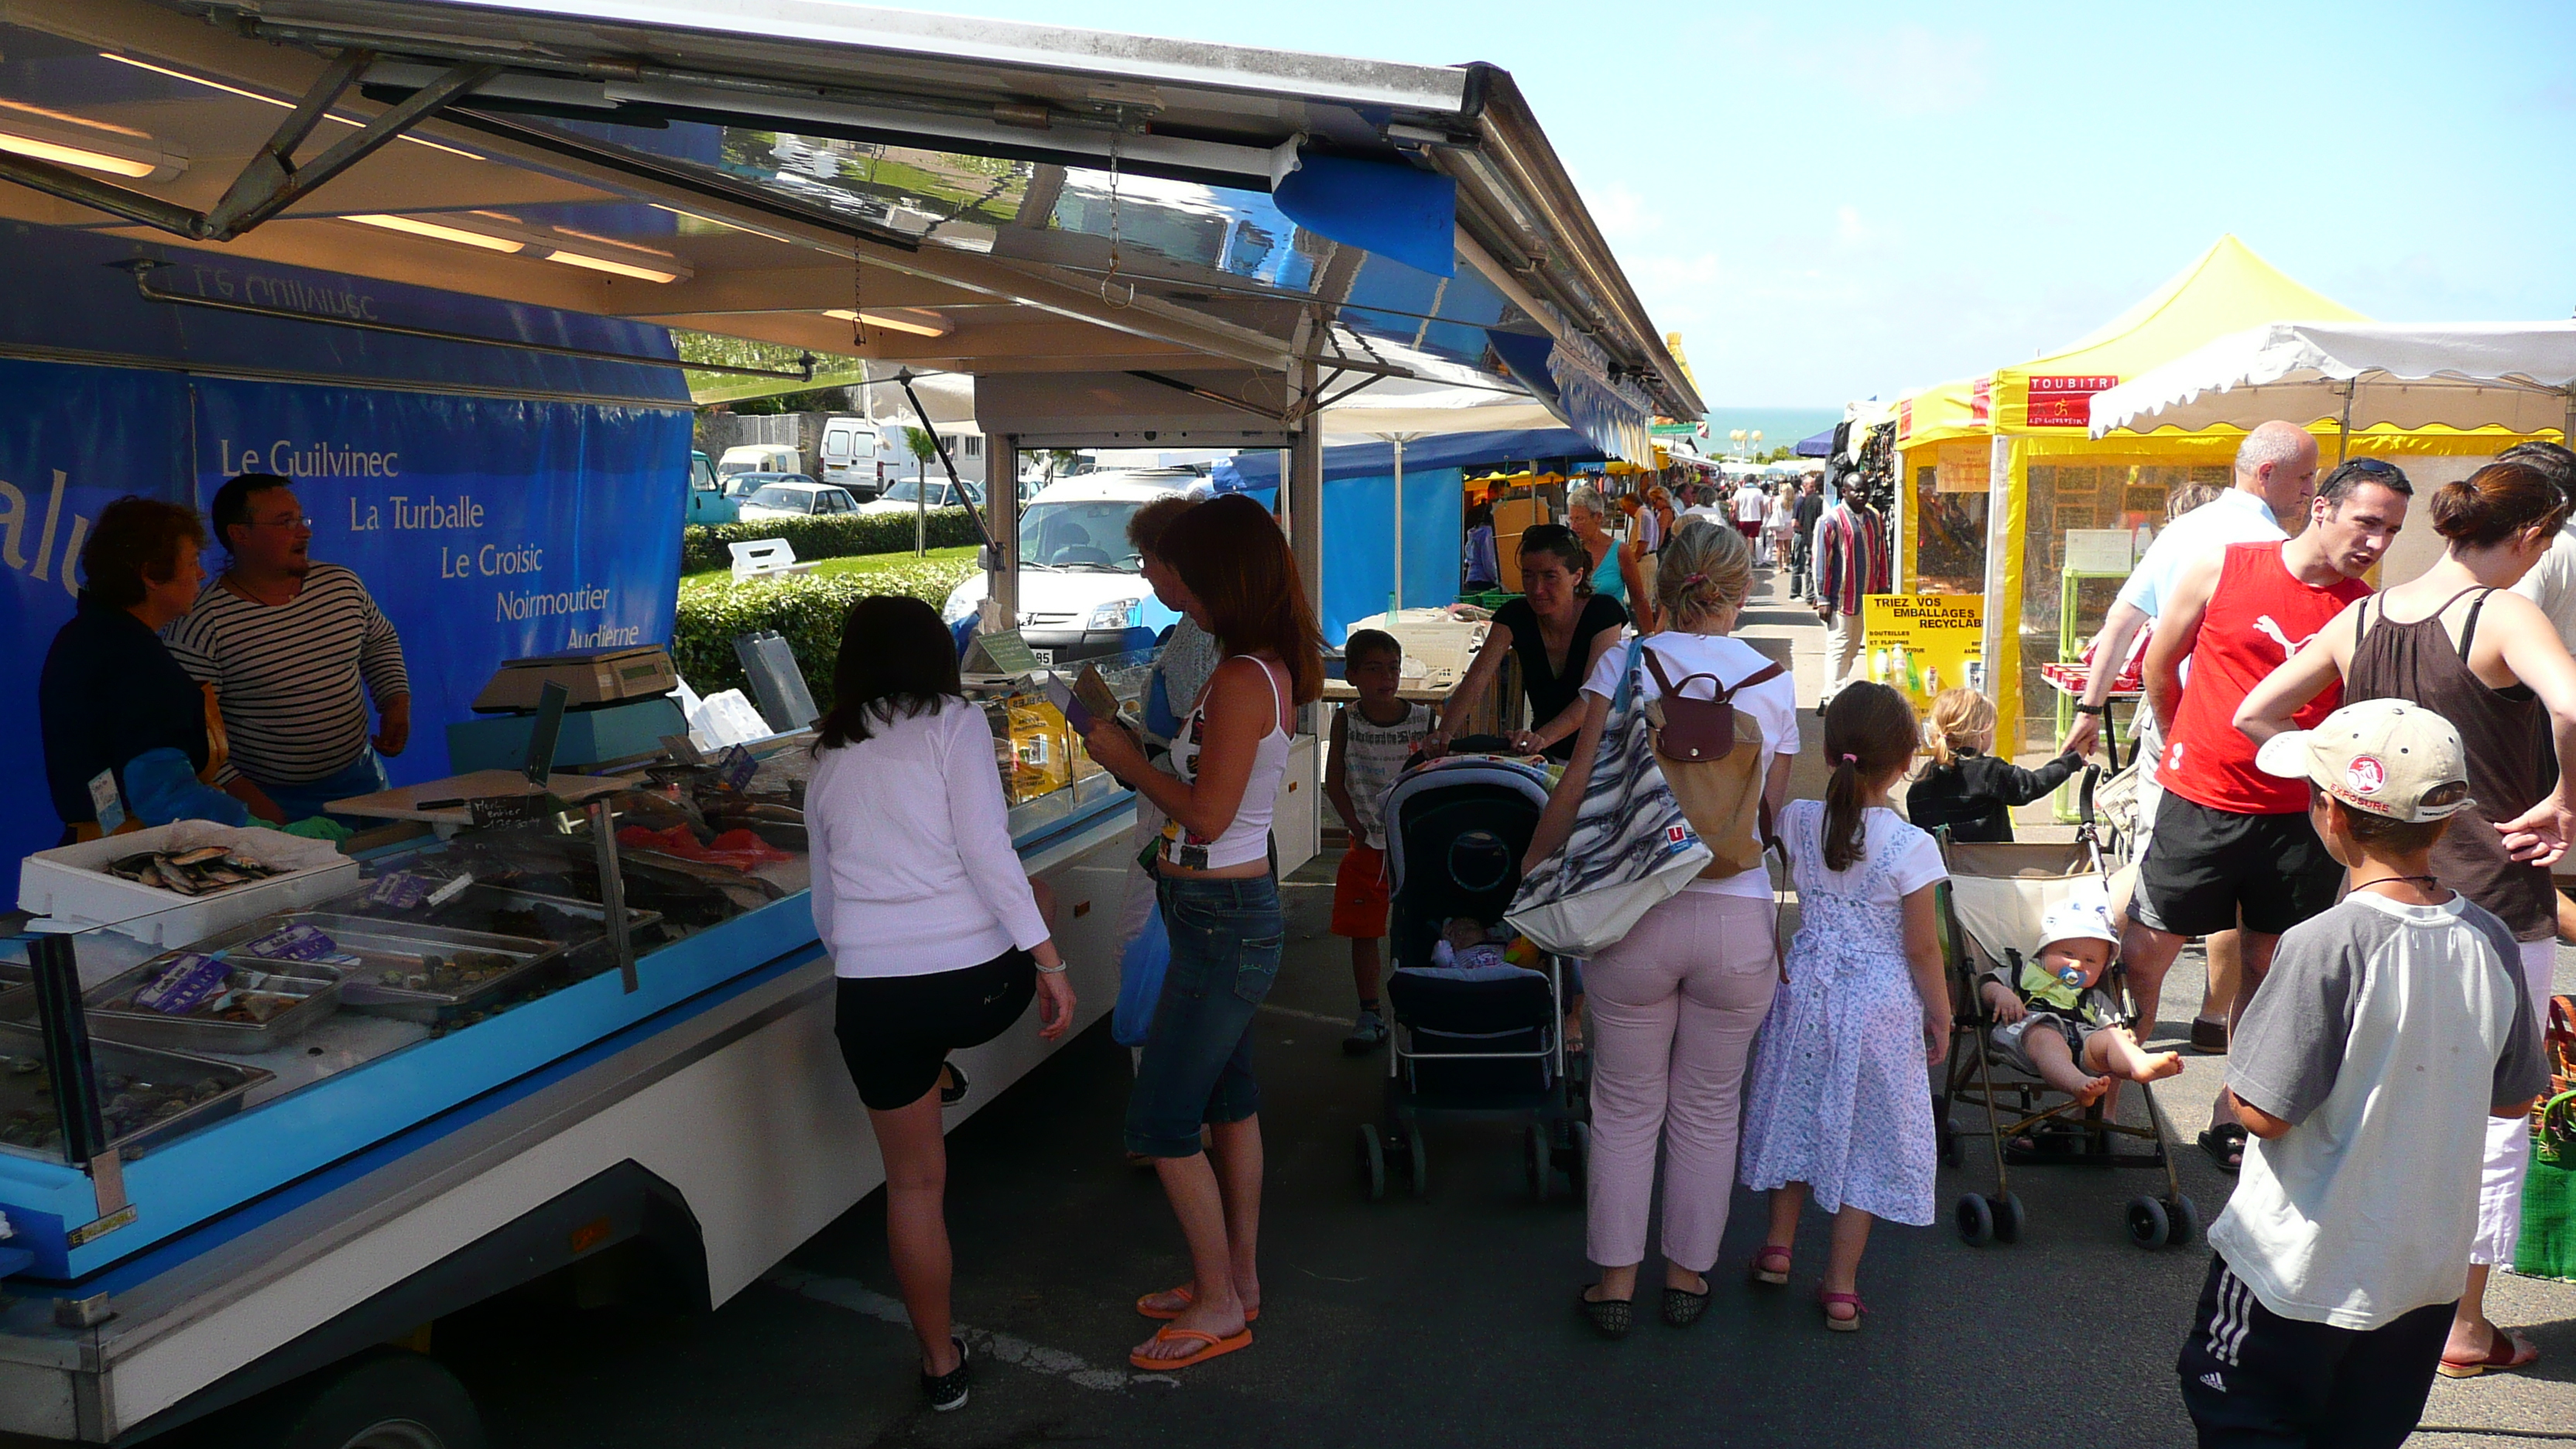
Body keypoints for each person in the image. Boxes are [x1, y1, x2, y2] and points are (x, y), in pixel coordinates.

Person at [2233, 460, 2576, 1380]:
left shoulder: (2361, 615)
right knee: (2488, 1117)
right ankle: (2462, 1324)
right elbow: (2573, 700)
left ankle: (2359, 1288)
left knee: (2365, 1100)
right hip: (2492, 908)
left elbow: (2252, 714)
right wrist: (2562, 799)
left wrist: (2336, 780)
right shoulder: (2501, 612)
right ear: (2536, 536)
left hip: (2370, 895)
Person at [2177, 700, 2548, 1445]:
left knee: (2247, 1418)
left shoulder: (2326, 941)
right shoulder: (2492, 939)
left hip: (2301, 1272)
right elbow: (2513, 1103)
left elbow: (2263, 1112)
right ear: (2446, 823)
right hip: (2421, 1274)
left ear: (2331, 814)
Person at [1523, 519, 1797, 1338]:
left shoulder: (1626, 660)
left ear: (1667, 581)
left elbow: (1574, 787)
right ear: (1740, 592)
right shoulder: (1769, 681)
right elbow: (1773, 815)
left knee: (1625, 1105)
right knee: (1710, 1109)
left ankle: (1613, 1285)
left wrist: (1533, 876)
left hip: (1630, 912)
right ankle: (1686, 1278)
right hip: (1735, 917)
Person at [804, 594, 1077, 1413]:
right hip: (977, 991)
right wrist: (1050, 963)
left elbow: (824, 905)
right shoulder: (954, 724)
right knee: (1036, 890)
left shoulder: (827, 750)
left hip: (873, 1002)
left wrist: (865, 975)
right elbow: (986, 852)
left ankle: (939, 1367)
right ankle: (942, 1065)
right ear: (935, 656)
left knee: (913, 1188)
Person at [1074, 493, 1324, 1373]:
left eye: (1185, 567)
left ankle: (1220, 1301)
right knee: (1225, 1100)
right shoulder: (1256, 670)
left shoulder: (1241, 677)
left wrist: (1123, 758)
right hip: (1214, 912)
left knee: (1164, 1117)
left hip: (1221, 916)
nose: (1169, 579)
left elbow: (1207, 817)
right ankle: (1234, 1282)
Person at [2126, 459, 2410, 1172]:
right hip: (2202, 799)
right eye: (2367, 522)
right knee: (2147, 951)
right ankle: (2117, 1090)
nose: (2376, 543)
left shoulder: (2361, 607)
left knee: (2268, 962)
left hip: (2299, 816)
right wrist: (2185, 742)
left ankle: (2233, 1111)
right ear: (2322, 508)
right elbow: (2161, 665)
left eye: (2392, 531)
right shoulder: (2221, 567)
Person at [2061, 425, 2320, 1053]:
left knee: (2173, 876)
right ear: (2267, 476)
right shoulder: (2269, 547)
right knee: (2209, 886)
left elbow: (2123, 620)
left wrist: (2092, 706)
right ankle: (2192, 1009)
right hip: (2216, 736)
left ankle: (2079, 967)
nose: (2314, 493)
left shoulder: (2187, 528)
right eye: (2306, 478)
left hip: (2173, 723)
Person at [1738, 682, 1948, 1331]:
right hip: (1879, 1006)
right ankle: (1839, 1286)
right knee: (1865, 1139)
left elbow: (1761, 834)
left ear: (1830, 754)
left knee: (1799, 1108)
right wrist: (1940, 1013)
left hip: (1806, 991)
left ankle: (1777, 1248)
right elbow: (1921, 949)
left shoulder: (1801, 819)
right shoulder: (1911, 846)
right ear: (1907, 759)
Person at [165, 473, 411, 823]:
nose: (304, 532)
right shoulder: (202, 623)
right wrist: (262, 812)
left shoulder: (341, 585)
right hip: (272, 802)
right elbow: (196, 740)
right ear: (240, 535)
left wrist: (395, 702)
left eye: (301, 519)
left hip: (363, 782)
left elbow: (379, 641)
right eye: (285, 523)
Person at [39, 498, 277, 841]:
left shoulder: (88, 635)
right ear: (151, 574)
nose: (201, 573)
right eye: (193, 561)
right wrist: (258, 831)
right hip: (136, 851)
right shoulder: (130, 658)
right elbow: (163, 796)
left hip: (105, 842)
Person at [1423, 524, 1627, 762]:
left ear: (1577, 577)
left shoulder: (1604, 613)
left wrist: (1540, 738)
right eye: (1528, 575)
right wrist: (1443, 733)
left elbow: (1593, 695)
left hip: (1603, 752)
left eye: (1550, 576)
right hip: (1549, 754)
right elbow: (1476, 679)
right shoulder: (1514, 615)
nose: (1537, 589)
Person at [1324, 628, 1434, 1053]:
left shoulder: (1424, 720)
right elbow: (1334, 781)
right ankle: (1369, 1010)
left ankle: (1422, 1003)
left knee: (1416, 928)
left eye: (1393, 668)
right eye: (1373, 669)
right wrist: (1354, 826)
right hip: (1366, 846)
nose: (1386, 678)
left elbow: (1433, 776)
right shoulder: (1346, 719)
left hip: (1414, 847)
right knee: (1364, 932)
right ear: (1352, 675)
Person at [1977, 898, 2184, 1108]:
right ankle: (2077, 1084)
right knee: (2048, 1039)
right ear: (2043, 951)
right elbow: (1987, 984)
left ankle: (2139, 1063)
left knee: (2114, 1038)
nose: (2077, 964)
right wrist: (2001, 994)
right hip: (2028, 1032)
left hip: (2083, 1041)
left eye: (2090, 961)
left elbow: (2110, 1025)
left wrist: (2122, 1035)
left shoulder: (2092, 996)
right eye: (2067, 954)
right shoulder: (2023, 973)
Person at [1906, 686, 2084, 843]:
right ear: (1982, 732)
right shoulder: (1990, 772)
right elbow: (2033, 785)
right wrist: (2072, 760)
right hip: (1992, 872)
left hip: (1944, 874)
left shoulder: (1925, 777)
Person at [1811, 485, 1890, 707]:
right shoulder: (1831, 520)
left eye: (1865, 490)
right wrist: (1823, 598)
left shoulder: (1874, 517)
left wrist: (1883, 585)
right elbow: (1821, 560)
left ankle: (1829, 692)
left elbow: (1881, 552)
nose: (1862, 494)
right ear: (1844, 491)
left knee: (1854, 648)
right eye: (1856, 491)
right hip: (1840, 598)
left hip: (1867, 595)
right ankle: (1835, 698)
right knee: (1839, 646)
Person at [1566, 484, 1636, 606]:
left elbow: (1639, 599)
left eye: (1579, 519)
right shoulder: (1568, 551)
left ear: (1598, 517)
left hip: (1614, 622)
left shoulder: (1620, 551)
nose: (1573, 526)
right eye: (1571, 519)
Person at [1790, 475, 1824, 601]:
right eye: (1811, 486)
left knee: (1808, 566)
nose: (1813, 488)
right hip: (1807, 537)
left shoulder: (1806, 500)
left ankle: (1809, 594)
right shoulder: (1813, 501)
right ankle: (1799, 593)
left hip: (1806, 537)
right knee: (1804, 565)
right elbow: (1796, 522)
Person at [1731, 474, 1769, 548]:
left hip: (1742, 519)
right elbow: (1762, 508)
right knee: (1751, 540)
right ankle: (1749, 557)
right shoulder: (1759, 492)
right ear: (1754, 481)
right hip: (1755, 519)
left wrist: (1734, 519)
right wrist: (1761, 518)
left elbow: (1734, 508)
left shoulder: (1739, 492)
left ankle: (1743, 557)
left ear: (1745, 481)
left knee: (1742, 540)